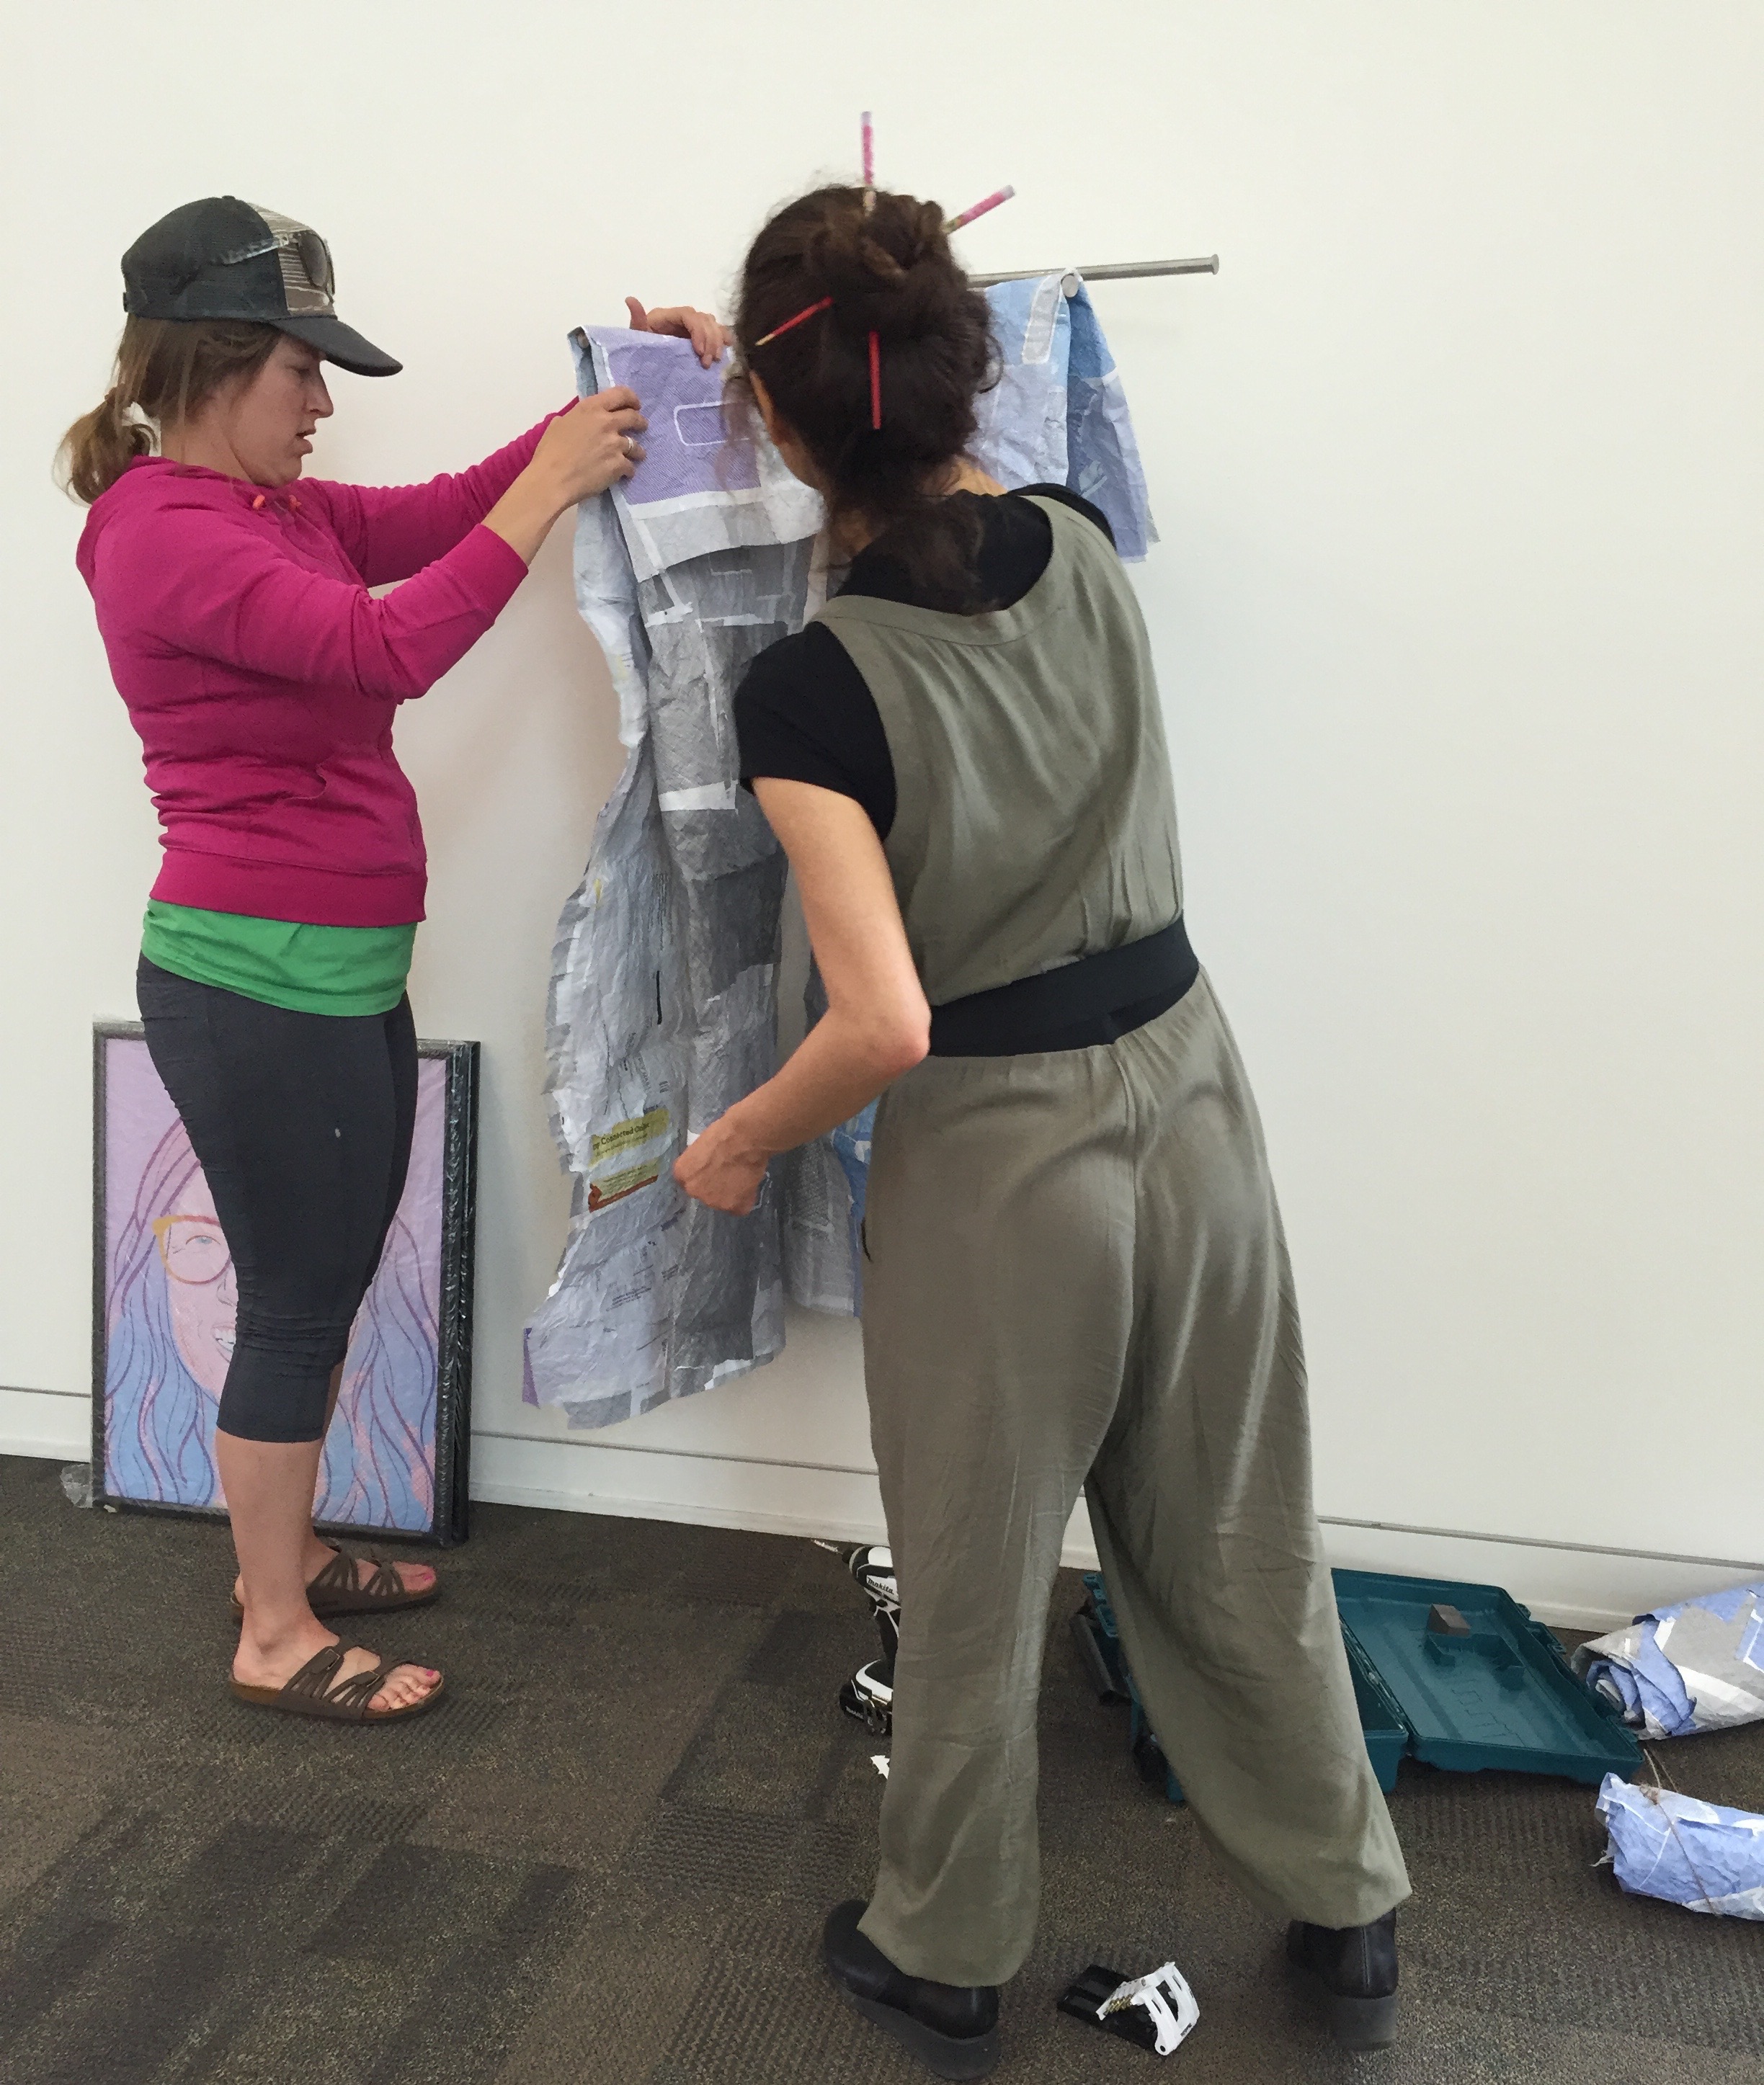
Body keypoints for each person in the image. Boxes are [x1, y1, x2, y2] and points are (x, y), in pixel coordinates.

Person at [674, 186, 1412, 2074]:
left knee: (978, 1566)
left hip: (1007, 1164)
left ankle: (942, 1949)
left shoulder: (813, 686)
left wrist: (741, 1139)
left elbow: (884, 1022)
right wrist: (780, 371)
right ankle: (1349, 1898)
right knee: (1236, 1523)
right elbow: (908, 465)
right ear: (962, 374)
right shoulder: (1078, 537)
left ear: (779, 426)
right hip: (1198, 1094)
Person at [66, 194, 723, 1725]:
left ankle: (284, 1552)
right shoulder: (161, 532)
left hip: (336, 971)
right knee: (297, 1298)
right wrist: (550, 487)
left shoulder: (273, 508)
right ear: (211, 362)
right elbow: (388, 649)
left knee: (331, 1276)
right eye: (301, 370)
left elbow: (438, 516)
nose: (323, 403)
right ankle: (272, 1629)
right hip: (254, 981)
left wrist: (601, 406)